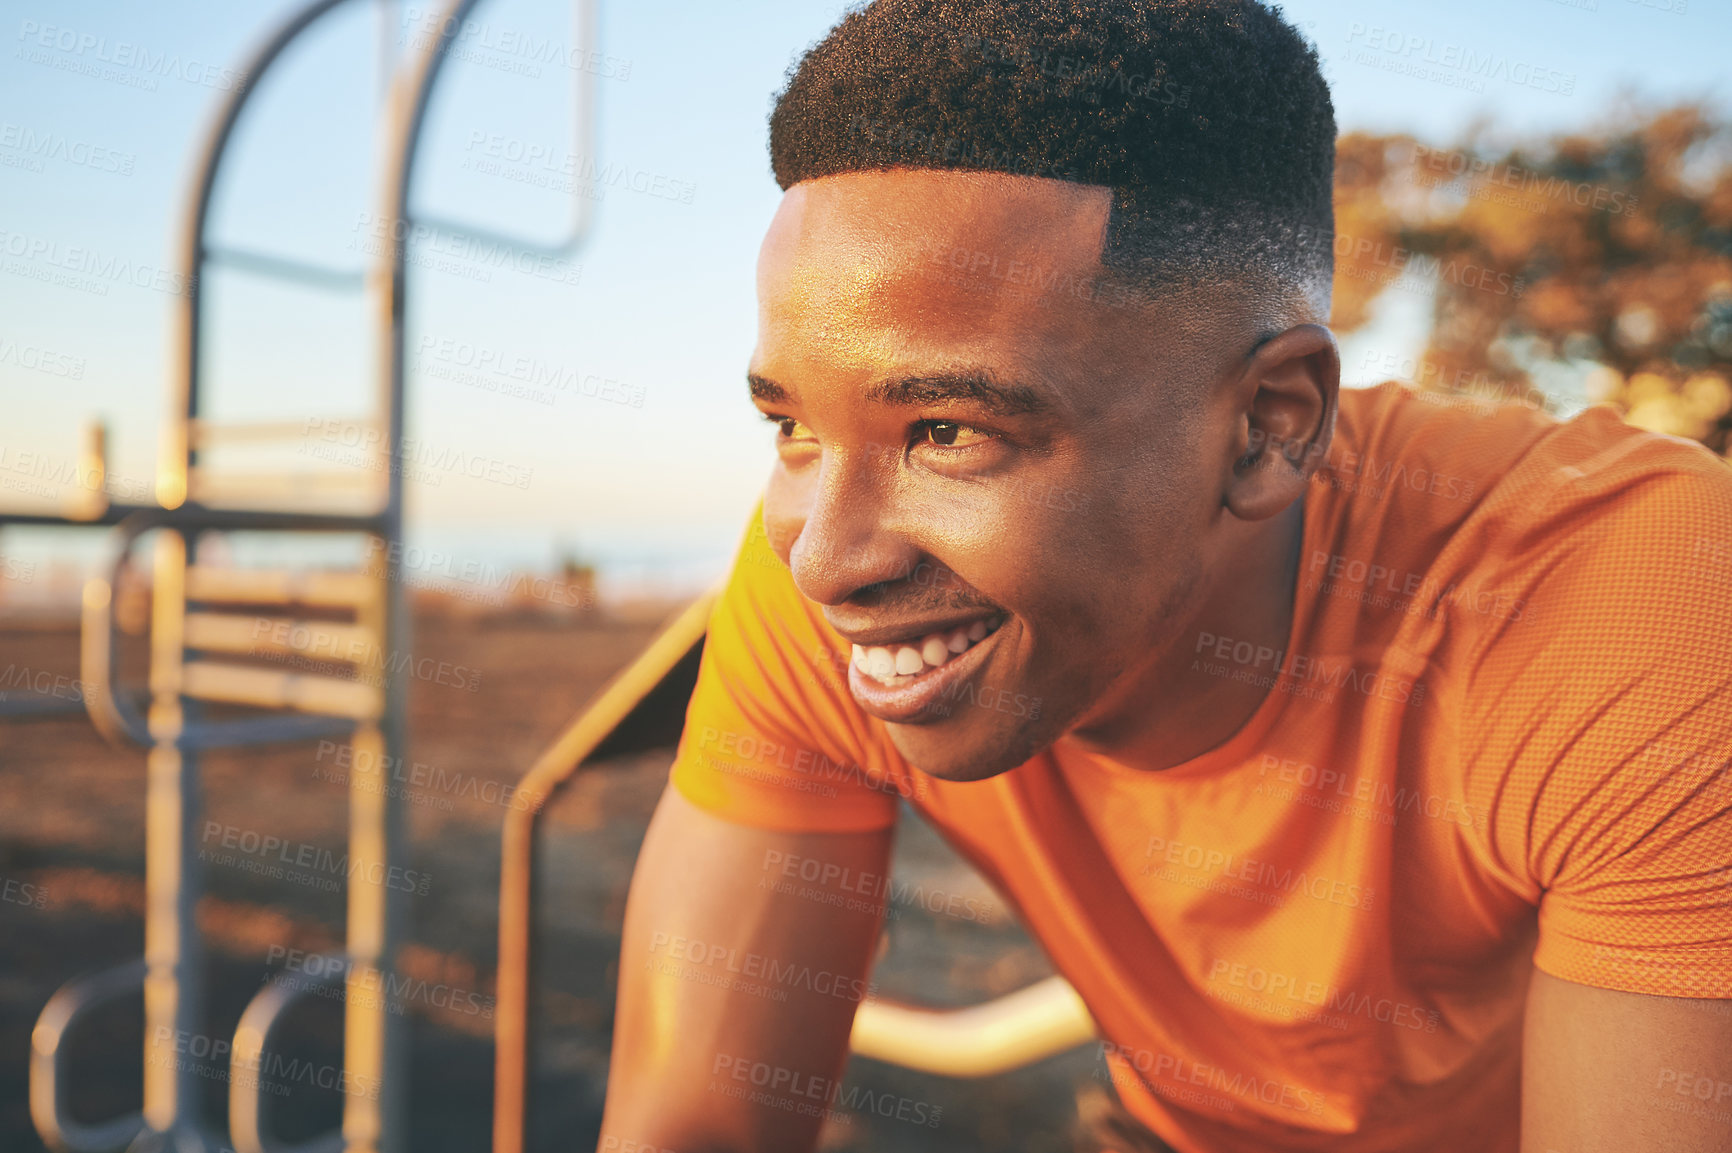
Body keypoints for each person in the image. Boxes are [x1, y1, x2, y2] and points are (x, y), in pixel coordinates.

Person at [598, 1, 1732, 1149]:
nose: (828, 560)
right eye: (791, 426)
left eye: (945, 430)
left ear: (1266, 426)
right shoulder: (837, 579)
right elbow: (692, 1127)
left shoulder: (1633, 598)